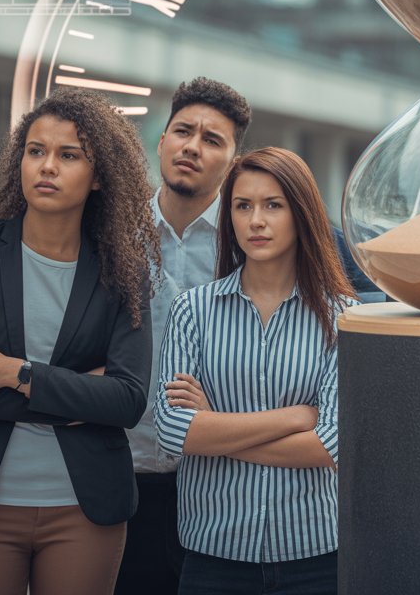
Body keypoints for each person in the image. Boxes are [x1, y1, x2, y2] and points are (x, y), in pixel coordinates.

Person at [0, 89, 160, 595]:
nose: (46, 166)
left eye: (68, 155)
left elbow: (126, 400)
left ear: (99, 178)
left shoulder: (123, 271)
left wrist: (15, 374)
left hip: (86, 509)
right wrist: (80, 393)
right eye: (35, 151)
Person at [155, 147, 354, 595]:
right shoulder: (193, 311)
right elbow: (172, 433)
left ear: (301, 213)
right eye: (243, 206)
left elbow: (331, 444)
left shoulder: (344, 317)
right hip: (214, 558)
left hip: (315, 556)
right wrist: (296, 417)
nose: (255, 221)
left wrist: (213, 431)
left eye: (272, 205)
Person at [116, 77, 251, 595]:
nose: (192, 146)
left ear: (234, 159)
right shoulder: (112, 231)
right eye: (182, 131)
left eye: (213, 139)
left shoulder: (254, 238)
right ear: (161, 141)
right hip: (120, 475)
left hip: (221, 480)